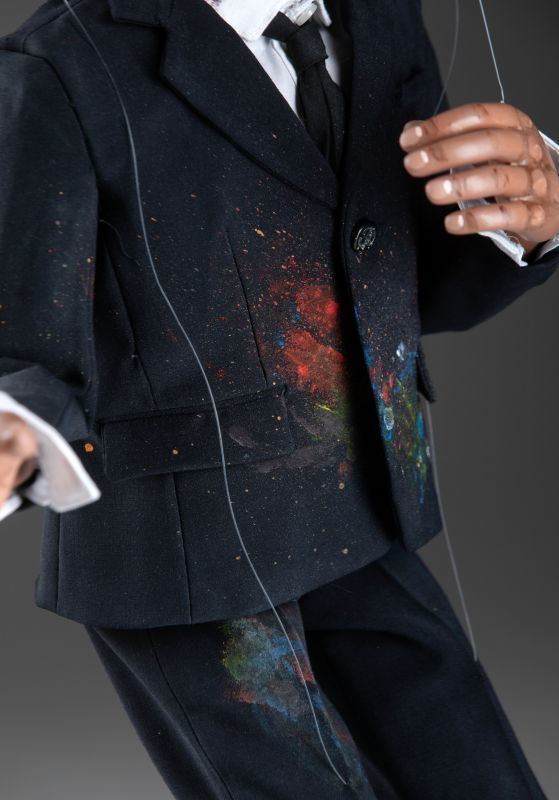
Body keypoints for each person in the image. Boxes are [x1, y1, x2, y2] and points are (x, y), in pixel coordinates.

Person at [1, 0, 557, 796]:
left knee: (475, 772)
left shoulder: (378, 16)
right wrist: (17, 416)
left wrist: (527, 223)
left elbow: (394, 275)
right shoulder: (60, 61)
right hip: (184, 545)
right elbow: (24, 323)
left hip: (357, 506)